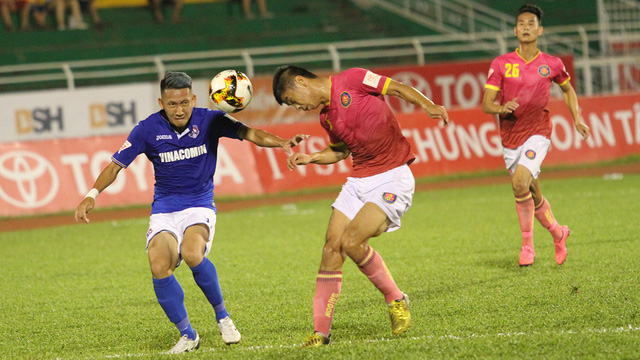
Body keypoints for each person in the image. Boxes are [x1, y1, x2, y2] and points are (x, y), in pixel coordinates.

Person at [75, 71, 307, 354]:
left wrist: (281, 142)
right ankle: (188, 335)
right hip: (164, 209)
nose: (179, 109)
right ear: (162, 102)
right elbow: (114, 166)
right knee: (159, 266)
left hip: (199, 204)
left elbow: (251, 133)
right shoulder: (147, 129)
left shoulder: (210, 120)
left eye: (184, 102)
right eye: (172, 104)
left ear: (193, 99)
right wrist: (91, 195)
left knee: (193, 252)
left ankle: (223, 317)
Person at [273, 65, 449, 347]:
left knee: (353, 241)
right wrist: (311, 158)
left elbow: (398, 88)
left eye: (293, 101)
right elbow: (340, 151)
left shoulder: (353, 79)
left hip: (393, 176)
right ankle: (321, 334)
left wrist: (428, 105)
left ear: (300, 82)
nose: (297, 108)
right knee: (332, 247)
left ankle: (396, 298)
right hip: (360, 179)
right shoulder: (326, 117)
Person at [482, 4, 590, 267]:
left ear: (539, 30)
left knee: (519, 182)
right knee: (533, 192)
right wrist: (500, 107)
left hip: (538, 133)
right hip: (510, 137)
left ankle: (527, 247)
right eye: (522, 23)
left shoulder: (552, 64)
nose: (526, 28)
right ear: (515, 30)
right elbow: (486, 104)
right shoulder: (501, 63)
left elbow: (567, 90)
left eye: (532, 23)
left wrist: (577, 118)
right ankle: (558, 233)